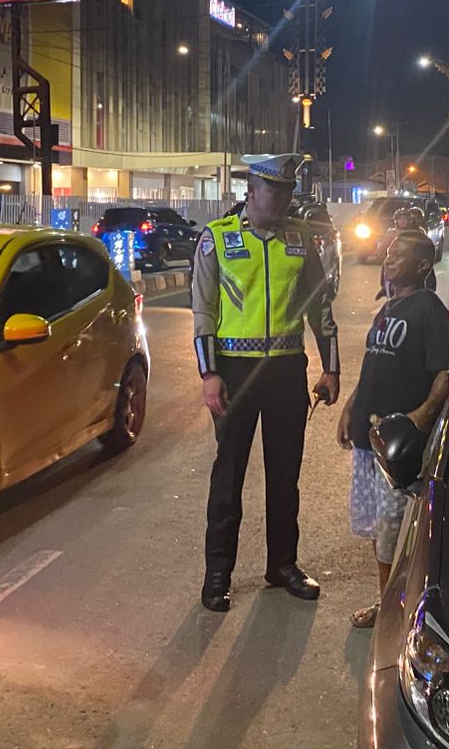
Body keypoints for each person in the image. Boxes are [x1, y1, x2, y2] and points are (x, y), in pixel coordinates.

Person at [192, 153, 340, 613]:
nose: (282, 199)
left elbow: (319, 306)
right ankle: (218, 575)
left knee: (285, 474)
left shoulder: (301, 238)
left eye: (288, 191)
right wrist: (209, 373)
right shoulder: (217, 239)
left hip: (286, 370)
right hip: (235, 372)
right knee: (229, 475)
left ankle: (282, 565)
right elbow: (204, 311)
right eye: (274, 190)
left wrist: (331, 368)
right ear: (251, 191)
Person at [339, 229, 449, 628]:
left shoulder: (430, 311)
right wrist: (351, 407)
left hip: (398, 449)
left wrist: (420, 418)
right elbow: (375, 364)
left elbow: (443, 373)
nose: (388, 259)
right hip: (369, 440)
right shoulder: (388, 308)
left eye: (398, 254)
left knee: (397, 533)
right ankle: (386, 602)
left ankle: (397, 614)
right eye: (388, 252)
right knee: (379, 529)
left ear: (422, 265)